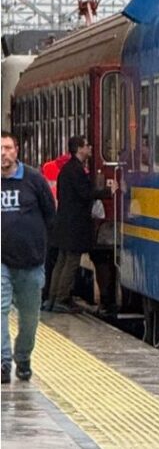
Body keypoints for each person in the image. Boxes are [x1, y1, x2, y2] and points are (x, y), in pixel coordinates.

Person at [2, 131, 56, 383]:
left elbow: (50, 212)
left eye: (8, 148)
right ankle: (3, 363)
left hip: (31, 261)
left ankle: (23, 357)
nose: (3, 153)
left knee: (29, 318)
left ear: (17, 151)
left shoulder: (34, 180)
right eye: (0, 148)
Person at [45, 136, 114, 313]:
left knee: (62, 261)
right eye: (87, 145)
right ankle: (62, 299)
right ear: (79, 149)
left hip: (64, 223)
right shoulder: (75, 171)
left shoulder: (68, 170)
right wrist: (107, 192)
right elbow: (85, 193)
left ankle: (52, 298)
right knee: (71, 261)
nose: (90, 148)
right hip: (73, 226)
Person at [39, 152, 70, 306]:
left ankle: (46, 295)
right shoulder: (76, 170)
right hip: (63, 220)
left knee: (50, 259)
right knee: (61, 258)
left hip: (48, 219)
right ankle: (55, 296)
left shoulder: (47, 167)